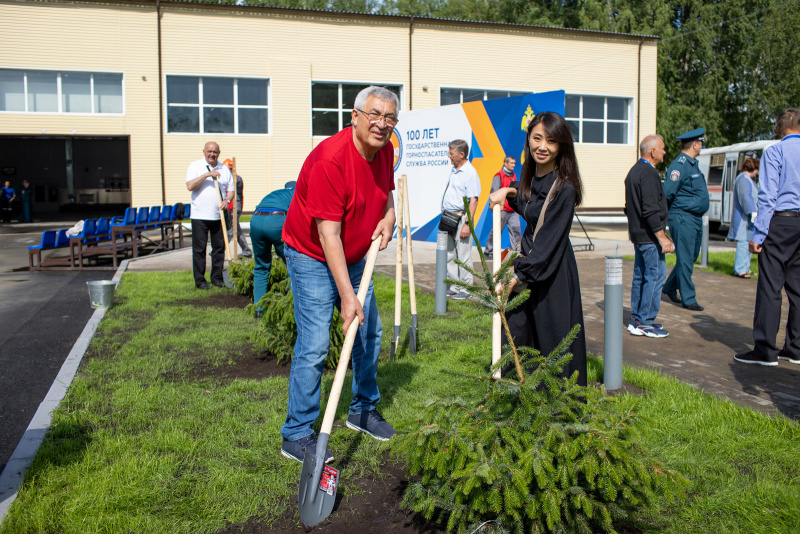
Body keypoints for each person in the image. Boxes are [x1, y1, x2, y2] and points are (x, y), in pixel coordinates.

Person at [279, 86, 398, 463]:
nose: (382, 124)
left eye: (390, 118)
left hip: (357, 250)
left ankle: (363, 408)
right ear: (355, 116)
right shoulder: (331, 159)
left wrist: (390, 215)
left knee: (369, 332)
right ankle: (296, 434)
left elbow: (386, 192)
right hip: (311, 253)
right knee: (315, 344)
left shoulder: (385, 149)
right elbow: (326, 234)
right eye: (374, 115)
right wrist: (348, 297)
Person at [488, 111, 587, 386]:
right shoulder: (530, 179)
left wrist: (517, 274)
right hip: (528, 266)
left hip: (551, 272)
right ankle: (517, 400)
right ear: (529, 139)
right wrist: (507, 192)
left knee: (553, 341)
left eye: (551, 141)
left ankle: (560, 411)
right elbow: (528, 201)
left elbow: (547, 245)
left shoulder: (565, 189)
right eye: (537, 138)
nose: (543, 147)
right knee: (518, 335)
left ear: (561, 147)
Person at [735, 108, 800, 367]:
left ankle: (765, 350)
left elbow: (768, 195)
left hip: (780, 223)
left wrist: (758, 234)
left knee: (771, 287)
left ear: (777, 129)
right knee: (798, 289)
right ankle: (795, 348)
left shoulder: (775, 152)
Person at [624, 134, 675, 338]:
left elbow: (630, 208)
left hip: (639, 235)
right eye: (662, 148)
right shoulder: (648, 173)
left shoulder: (634, 172)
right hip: (649, 237)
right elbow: (650, 209)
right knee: (654, 276)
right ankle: (645, 321)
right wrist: (662, 237)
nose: (664, 152)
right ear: (653, 151)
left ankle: (637, 319)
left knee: (641, 276)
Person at [661, 128, 709, 311]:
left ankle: (669, 286)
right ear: (695, 144)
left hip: (694, 218)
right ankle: (689, 298)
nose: (701, 145)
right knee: (686, 258)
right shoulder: (679, 165)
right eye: (701, 143)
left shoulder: (692, 164)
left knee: (691, 255)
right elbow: (668, 194)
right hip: (683, 217)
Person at [185, 141, 234, 289]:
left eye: (215, 152)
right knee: (199, 249)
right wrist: (207, 175)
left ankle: (217, 278)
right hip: (199, 215)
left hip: (218, 215)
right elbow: (190, 186)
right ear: (204, 151)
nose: (212, 154)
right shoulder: (195, 166)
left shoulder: (224, 169)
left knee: (219, 248)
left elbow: (230, 190)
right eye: (209, 151)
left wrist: (227, 200)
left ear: (219, 153)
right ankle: (200, 281)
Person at [442, 139, 481, 300]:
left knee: (463, 255)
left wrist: (467, 224)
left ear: (462, 154)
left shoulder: (470, 173)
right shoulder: (454, 170)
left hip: (461, 217)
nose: (449, 156)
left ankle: (466, 288)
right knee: (450, 253)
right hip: (448, 217)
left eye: (452, 153)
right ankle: (455, 285)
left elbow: (474, 200)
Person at [250, 181, 295, 317]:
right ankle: (291, 308)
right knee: (293, 264)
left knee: (261, 266)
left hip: (256, 219)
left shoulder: (277, 193)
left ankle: (258, 309)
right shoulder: (297, 192)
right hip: (277, 220)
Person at [727, 158, 760, 278]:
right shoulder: (744, 180)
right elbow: (745, 197)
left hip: (747, 218)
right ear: (754, 169)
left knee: (748, 242)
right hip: (744, 218)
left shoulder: (744, 179)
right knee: (743, 242)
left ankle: (745, 267)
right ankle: (740, 268)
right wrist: (753, 212)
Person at [484, 156, 521, 256]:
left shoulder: (513, 175)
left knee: (516, 231)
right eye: (511, 163)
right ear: (505, 163)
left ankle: (517, 253)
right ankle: (488, 251)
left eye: (514, 163)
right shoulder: (499, 175)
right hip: (502, 209)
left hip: (513, 210)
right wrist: (496, 210)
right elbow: (494, 193)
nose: (514, 165)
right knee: (496, 230)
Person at [222, 159, 252, 258]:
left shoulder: (237, 179)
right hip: (229, 207)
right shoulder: (228, 178)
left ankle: (220, 249)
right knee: (237, 230)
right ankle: (246, 250)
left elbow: (231, 187)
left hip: (236, 207)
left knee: (232, 229)